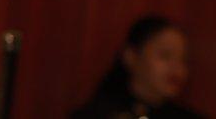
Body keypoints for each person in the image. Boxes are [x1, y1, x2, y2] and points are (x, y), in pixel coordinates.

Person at [70, 15, 205, 119]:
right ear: (131, 56)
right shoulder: (97, 114)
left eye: (183, 60)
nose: (176, 68)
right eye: (165, 56)